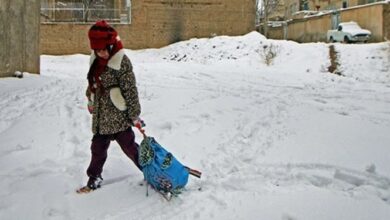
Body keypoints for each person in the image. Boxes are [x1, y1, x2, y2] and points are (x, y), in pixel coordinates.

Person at [78, 20, 144, 193]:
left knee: (131, 149)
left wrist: (134, 115)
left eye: (103, 49)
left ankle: (150, 171)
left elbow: (130, 90)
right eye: (97, 50)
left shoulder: (121, 61)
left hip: (119, 117)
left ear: (111, 45)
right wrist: (91, 100)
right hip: (101, 116)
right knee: (97, 149)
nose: (101, 53)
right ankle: (94, 177)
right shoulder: (95, 60)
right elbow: (91, 83)